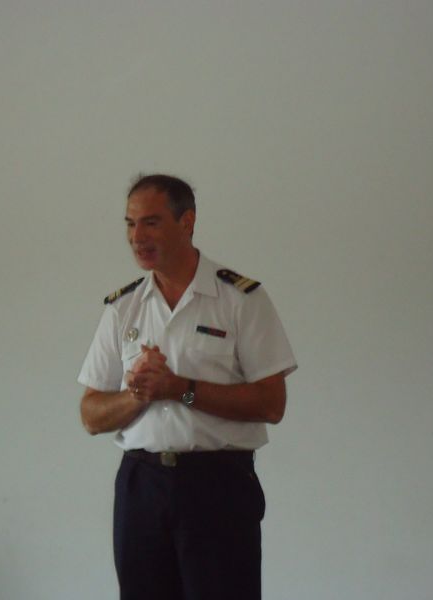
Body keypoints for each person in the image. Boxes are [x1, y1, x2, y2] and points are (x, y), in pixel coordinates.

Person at [77, 174, 297, 600]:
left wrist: (181, 389)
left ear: (187, 222)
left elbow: (272, 404)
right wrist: (138, 394)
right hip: (141, 484)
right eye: (130, 224)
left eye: (151, 222)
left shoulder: (241, 299)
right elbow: (90, 415)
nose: (137, 237)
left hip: (218, 483)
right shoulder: (123, 307)